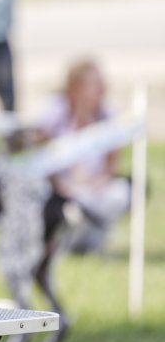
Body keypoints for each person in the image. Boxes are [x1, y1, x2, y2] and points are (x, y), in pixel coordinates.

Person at [40, 59, 131, 254]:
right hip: (60, 189)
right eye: (96, 86)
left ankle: (89, 237)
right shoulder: (56, 112)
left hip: (93, 189)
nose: (102, 91)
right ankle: (70, 238)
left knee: (120, 193)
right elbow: (42, 156)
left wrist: (95, 183)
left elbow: (111, 165)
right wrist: (62, 187)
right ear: (76, 88)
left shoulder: (107, 115)